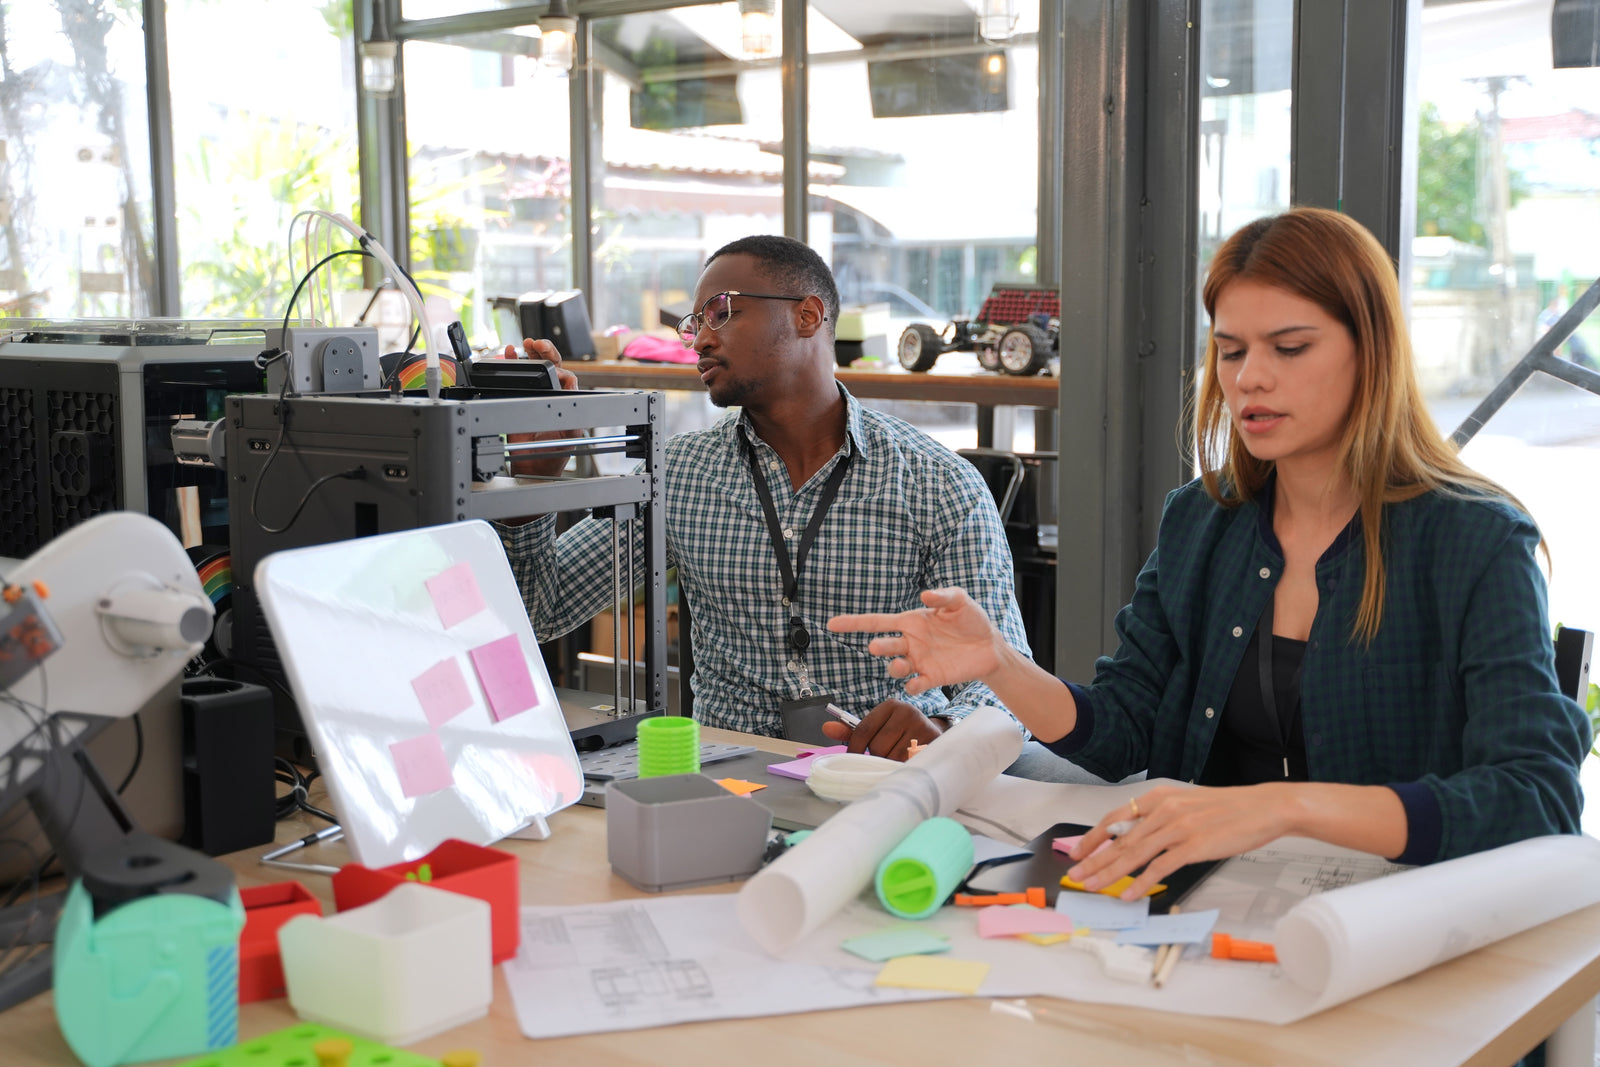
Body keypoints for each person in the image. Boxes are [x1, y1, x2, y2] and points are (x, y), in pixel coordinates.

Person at [830, 207, 1589, 897]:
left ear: (1372, 351)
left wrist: (1277, 809)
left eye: (1289, 347)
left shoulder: (1478, 540)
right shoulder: (1203, 519)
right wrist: (998, 661)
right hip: (1214, 905)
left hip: (1402, 921)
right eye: (1230, 351)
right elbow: (1125, 726)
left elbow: (1535, 794)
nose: (1249, 377)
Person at [497, 234, 1031, 756]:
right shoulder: (679, 472)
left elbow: (1010, 681)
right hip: (727, 778)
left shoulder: (937, 483)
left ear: (807, 315)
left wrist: (942, 725)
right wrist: (530, 484)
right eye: (695, 323)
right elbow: (544, 607)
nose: (701, 340)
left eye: (721, 312)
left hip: (880, 780)